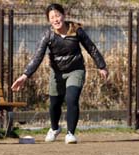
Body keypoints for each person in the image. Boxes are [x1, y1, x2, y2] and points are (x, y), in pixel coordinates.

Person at [11, 3, 109, 144]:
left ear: (64, 15)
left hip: (76, 70)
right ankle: (55, 128)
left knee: (71, 99)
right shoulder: (48, 35)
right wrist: (25, 75)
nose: (56, 19)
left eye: (58, 15)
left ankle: (70, 133)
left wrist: (102, 66)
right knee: (54, 104)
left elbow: (91, 48)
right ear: (49, 21)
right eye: (52, 17)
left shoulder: (76, 30)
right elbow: (37, 56)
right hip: (56, 73)